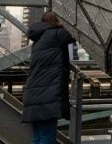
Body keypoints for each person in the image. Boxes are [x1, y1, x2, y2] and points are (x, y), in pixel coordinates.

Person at [22, 10, 76, 144]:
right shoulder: (55, 34)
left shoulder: (39, 38)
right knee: (47, 137)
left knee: (38, 137)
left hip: (35, 94)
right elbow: (76, 33)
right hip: (47, 95)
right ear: (55, 21)